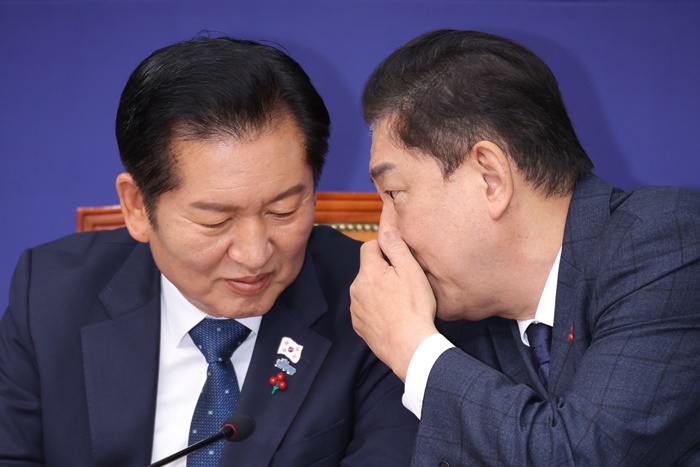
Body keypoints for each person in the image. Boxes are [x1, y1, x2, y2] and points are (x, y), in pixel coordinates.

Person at [0, 36, 417, 466]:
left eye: (283, 210)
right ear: (137, 207)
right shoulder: (50, 297)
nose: (254, 255)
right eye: (215, 221)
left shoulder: (378, 305)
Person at [349, 29, 700, 466]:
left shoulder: (667, 240)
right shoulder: (454, 320)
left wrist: (412, 348)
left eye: (394, 193)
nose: (386, 233)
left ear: (490, 178)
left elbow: (581, 455)